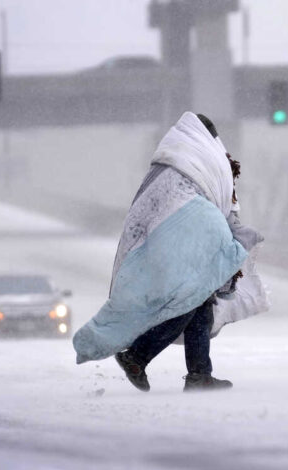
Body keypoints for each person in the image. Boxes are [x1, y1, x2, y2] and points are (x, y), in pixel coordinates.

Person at [73, 112, 268, 392]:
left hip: (163, 241)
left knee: (200, 302)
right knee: (189, 301)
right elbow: (219, 198)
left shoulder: (170, 162)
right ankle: (137, 356)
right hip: (181, 239)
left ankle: (199, 374)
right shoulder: (202, 159)